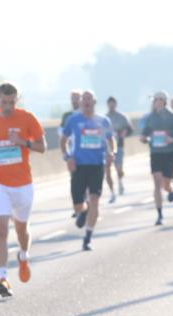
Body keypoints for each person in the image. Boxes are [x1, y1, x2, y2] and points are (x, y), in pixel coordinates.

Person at [0, 82, 47, 297]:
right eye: (4, 101)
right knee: (1, 230)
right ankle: (3, 277)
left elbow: (42, 147)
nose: (8, 105)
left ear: (16, 100)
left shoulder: (27, 118)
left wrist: (23, 142)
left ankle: (23, 255)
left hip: (23, 184)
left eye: (12, 102)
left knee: (21, 230)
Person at [60, 91, 114, 251]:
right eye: (84, 99)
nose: (87, 102)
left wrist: (113, 152)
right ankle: (82, 212)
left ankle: (88, 237)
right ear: (81, 102)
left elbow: (111, 140)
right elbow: (63, 140)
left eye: (90, 99)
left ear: (95, 102)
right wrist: (67, 157)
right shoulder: (73, 119)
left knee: (95, 199)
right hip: (78, 165)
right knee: (78, 204)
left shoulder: (103, 121)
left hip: (97, 165)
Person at [140, 91, 173, 225]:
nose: (155, 102)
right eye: (154, 100)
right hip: (155, 152)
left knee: (166, 183)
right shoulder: (150, 117)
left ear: (163, 101)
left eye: (157, 100)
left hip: (169, 152)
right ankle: (159, 214)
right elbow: (146, 132)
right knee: (157, 182)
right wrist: (143, 138)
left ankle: (172, 190)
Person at [105, 96, 133, 199]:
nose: (111, 105)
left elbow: (130, 129)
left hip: (119, 145)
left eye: (113, 103)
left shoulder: (122, 117)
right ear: (107, 105)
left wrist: (125, 132)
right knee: (107, 169)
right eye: (109, 103)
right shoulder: (105, 118)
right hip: (107, 147)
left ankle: (120, 182)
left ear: (116, 104)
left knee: (118, 168)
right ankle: (112, 191)